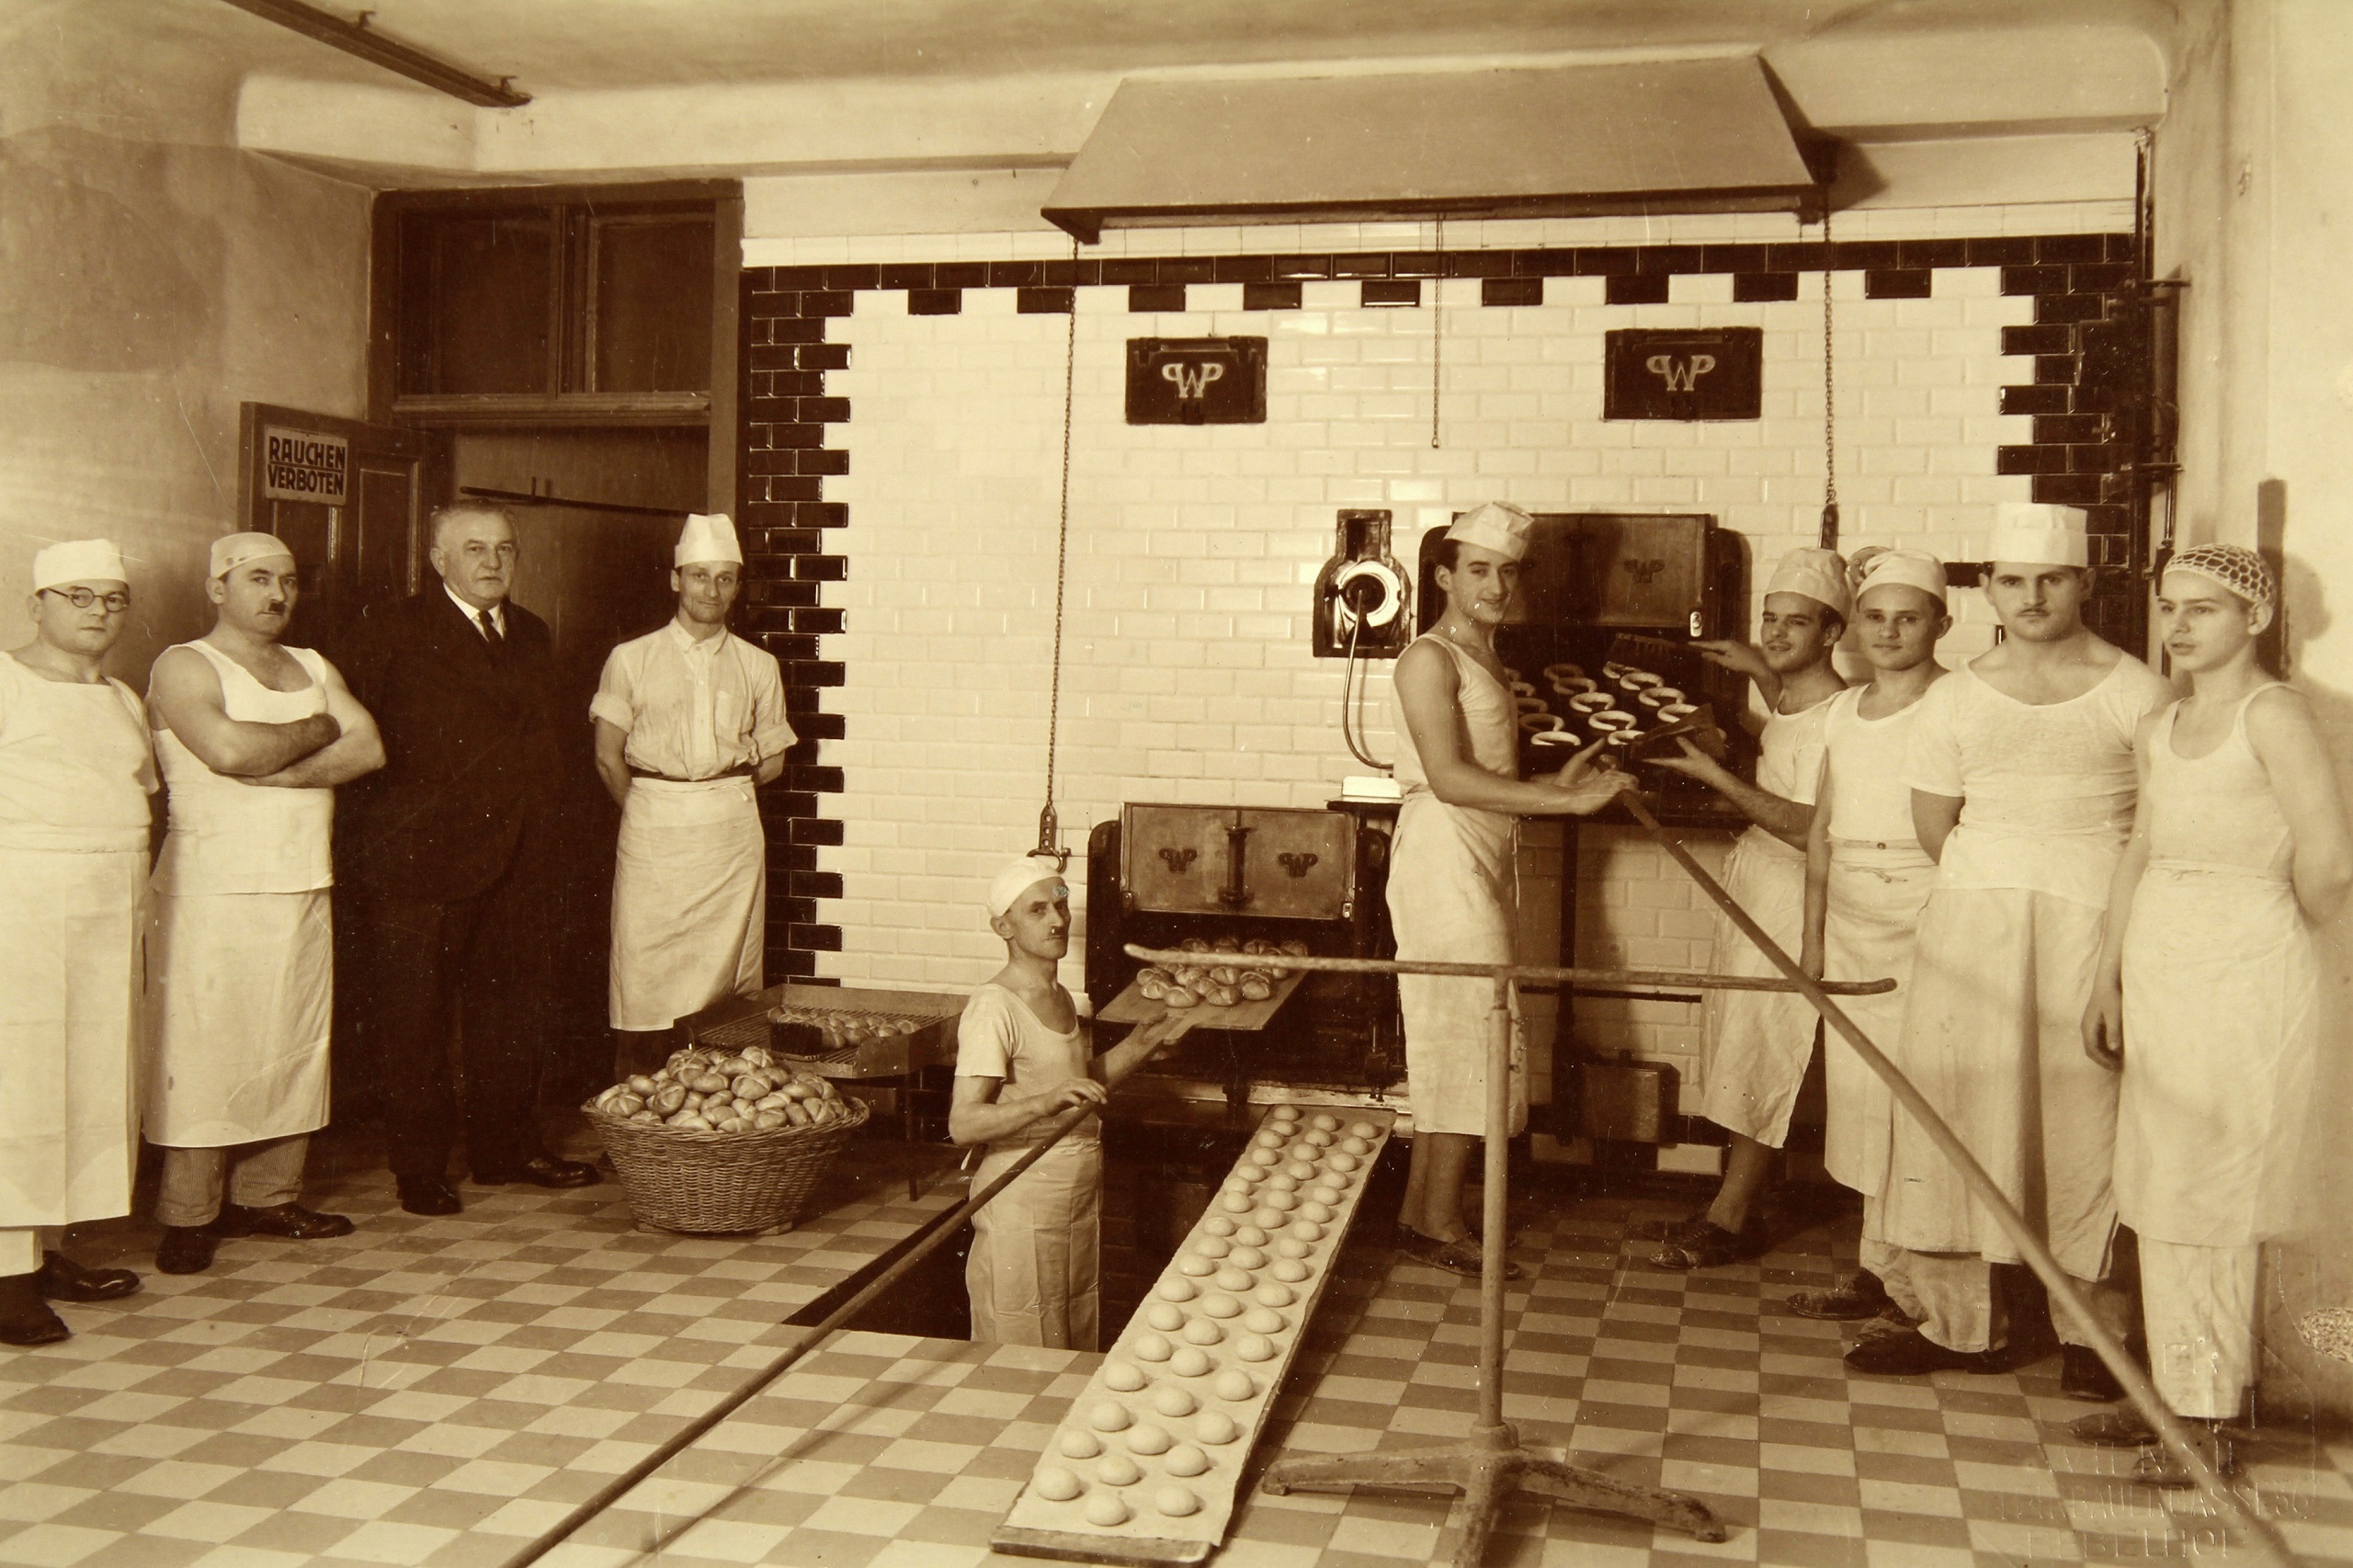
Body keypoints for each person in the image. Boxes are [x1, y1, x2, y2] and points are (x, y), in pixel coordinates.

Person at [1856, 502, 2176, 1384]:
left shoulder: (2136, 691)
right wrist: (2000, 883)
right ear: (1989, 588)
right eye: (2014, 580)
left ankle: (2095, 1333)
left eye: (2052, 579)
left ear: (2085, 583)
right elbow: (1935, 825)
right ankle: (1961, 1325)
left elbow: (2156, 827)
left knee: (2082, 1123)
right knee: (1961, 1113)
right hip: (1972, 928)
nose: (2032, 597)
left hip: (2089, 930)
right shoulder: (1956, 696)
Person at [2082, 544, 2350, 1483]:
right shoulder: (2164, 723)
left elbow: (2330, 861)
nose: (2181, 626)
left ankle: (2207, 1416)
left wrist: (2275, 936)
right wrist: (2106, 974)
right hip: (2161, 959)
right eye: (2169, 607)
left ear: (2256, 619)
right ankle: (2170, 1388)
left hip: (2246, 971)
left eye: (2204, 608)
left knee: (2215, 1188)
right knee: (2158, 1180)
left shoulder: (2271, 715)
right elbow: (2139, 851)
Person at [1387, 501, 1634, 1277]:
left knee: (1463, 1029)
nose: (1495, 585)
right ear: (1445, 576)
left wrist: (1558, 779)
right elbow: (1452, 779)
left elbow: (1488, 774)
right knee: (1469, 1028)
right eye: (1479, 570)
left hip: (1479, 850)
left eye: (1508, 571)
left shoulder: (1488, 657)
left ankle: (1423, 1214)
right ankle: (1441, 1218)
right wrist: (1567, 803)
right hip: (1441, 852)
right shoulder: (1428, 658)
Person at [342, 502, 597, 1215]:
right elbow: (358, 749)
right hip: (420, 864)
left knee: (512, 1014)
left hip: (519, 860)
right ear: (437, 559)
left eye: (505, 550)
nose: (492, 563)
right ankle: (419, 1170)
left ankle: (506, 1151)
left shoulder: (533, 634)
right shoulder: (391, 631)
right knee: (414, 1023)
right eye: (475, 549)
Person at [142, 533, 383, 1274]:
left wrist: (279, 767)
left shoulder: (312, 666)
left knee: (292, 1041)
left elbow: (369, 748)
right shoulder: (184, 664)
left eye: (287, 580)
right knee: (202, 1049)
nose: (278, 594)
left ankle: (269, 1196)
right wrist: (317, 732)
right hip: (209, 888)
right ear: (218, 588)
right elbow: (226, 752)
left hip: (301, 880)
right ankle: (189, 1215)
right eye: (257, 579)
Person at [1644, 547, 1850, 1270]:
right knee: (1737, 1042)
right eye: (1769, 619)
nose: (1776, 633)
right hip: (1758, 882)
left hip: (1798, 891)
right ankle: (1729, 1202)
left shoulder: (1844, 716)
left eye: (1797, 623)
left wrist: (1714, 773)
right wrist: (1759, 675)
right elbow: (1786, 717)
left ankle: (1731, 1219)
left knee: (1767, 1049)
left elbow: (1807, 824)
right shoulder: (1795, 698)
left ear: (1833, 635)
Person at [1787, 548, 1952, 1323]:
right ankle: (1880, 1271)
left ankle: (1930, 1297)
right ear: (1854, 626)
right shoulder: (1844, 712)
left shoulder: (1958, 704)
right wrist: (1814, 941)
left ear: (1940, 625)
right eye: (1875, 617)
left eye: (1907, 617)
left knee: (1917, 1108)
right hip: (1850, 920)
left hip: (1924, 916)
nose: (1888, 632)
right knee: (1859, 1107)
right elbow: (1821, 830)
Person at [0, 540, 152, 1346]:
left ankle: (51, 1248)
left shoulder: (124, 698)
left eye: (112, 599)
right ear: (36, 604)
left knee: (94, 1076)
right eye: (78, 596)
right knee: (21, 1084)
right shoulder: (4, 682)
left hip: (108, 906)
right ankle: (4, 1275)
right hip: (20, 909)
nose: (98, 613)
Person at [951, 858, 1187, 1349]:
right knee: (1020, 1333)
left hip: (1073, 1190)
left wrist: (1139, 1046)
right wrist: (1046, 1101)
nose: (1058, 920)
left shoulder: (1063, 997)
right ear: (1003, 927)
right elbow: (965, 1122)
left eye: (1060, 905)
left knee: (1073, 1321)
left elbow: (1079, 1086)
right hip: (1023, 1190)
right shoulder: (994, 1006)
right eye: (1037, 911)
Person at [592, 513, 792, 1078]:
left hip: (730, 832)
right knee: (643, 971)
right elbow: (608, 756)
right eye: (699, 576)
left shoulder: (759, 665)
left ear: (736, 586)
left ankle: (718, 1116)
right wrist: (654, 809)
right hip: (653, 824)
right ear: (676, 580)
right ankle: (636, 1121)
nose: (712, 590)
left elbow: (773, 758)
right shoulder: (631, 658)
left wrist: (718, 795)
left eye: (725, 578)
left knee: (728, 977)